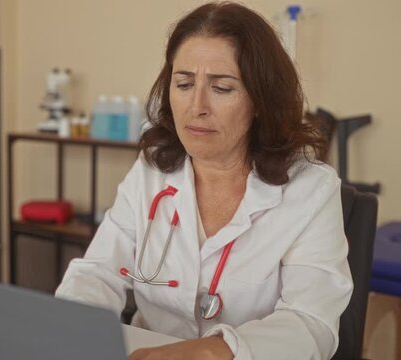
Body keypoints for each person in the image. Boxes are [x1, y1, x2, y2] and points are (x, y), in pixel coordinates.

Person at [55, 2, 352, 359]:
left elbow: (310, 323)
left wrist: (214, 352)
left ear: (260, 100)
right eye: (183, 84)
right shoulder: (152, 171)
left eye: (222, 88)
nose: (196, 106)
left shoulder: (311, 190)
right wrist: (69, 329)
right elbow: (98, 275)